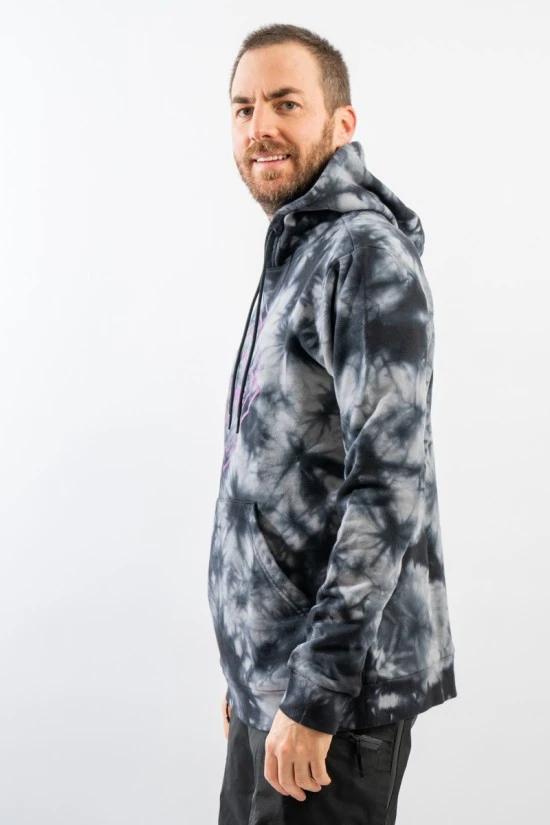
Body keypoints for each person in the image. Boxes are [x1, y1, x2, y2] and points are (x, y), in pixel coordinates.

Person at [207, 22, 458, 825]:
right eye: (244, 108)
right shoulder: (299, 251)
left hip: (332, 702)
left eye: (286, 103)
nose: (260, 126)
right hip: (274, 683)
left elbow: (388, 488)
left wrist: (313, 693)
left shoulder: (363, 255)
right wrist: (248, 670)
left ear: (342, 123)